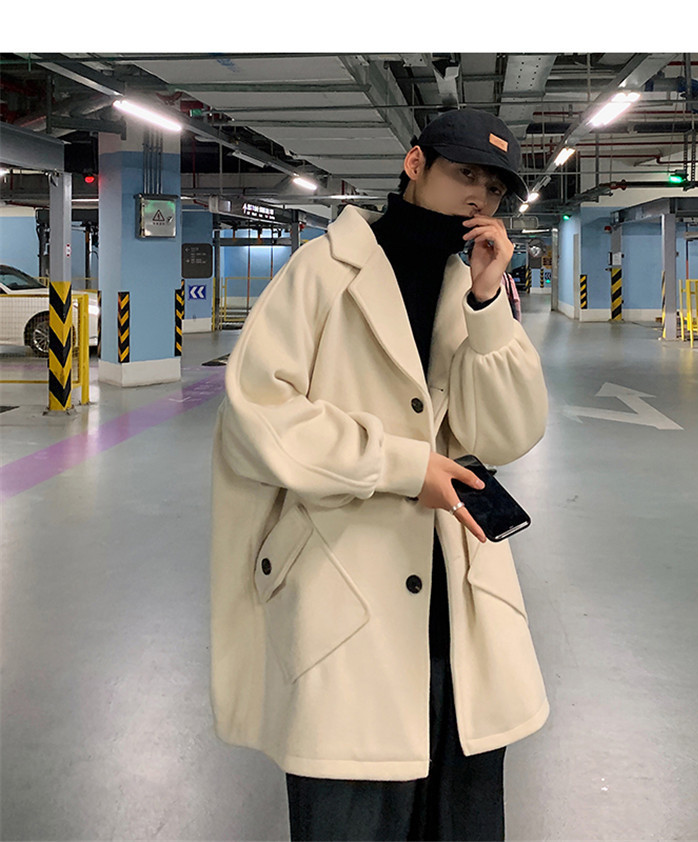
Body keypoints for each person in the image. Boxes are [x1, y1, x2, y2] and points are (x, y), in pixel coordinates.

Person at [210, 108, 550, 841]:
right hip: (344, 585)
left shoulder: (474, 287)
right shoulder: (322, 272)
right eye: (464, 173)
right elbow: (259, 414)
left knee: (457, 816)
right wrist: (400, 466)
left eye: (494, 187)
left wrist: (489, 304)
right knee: (351, 810)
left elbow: (508, 433)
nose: (478, 196)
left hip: (457, 599)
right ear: (414, 164)